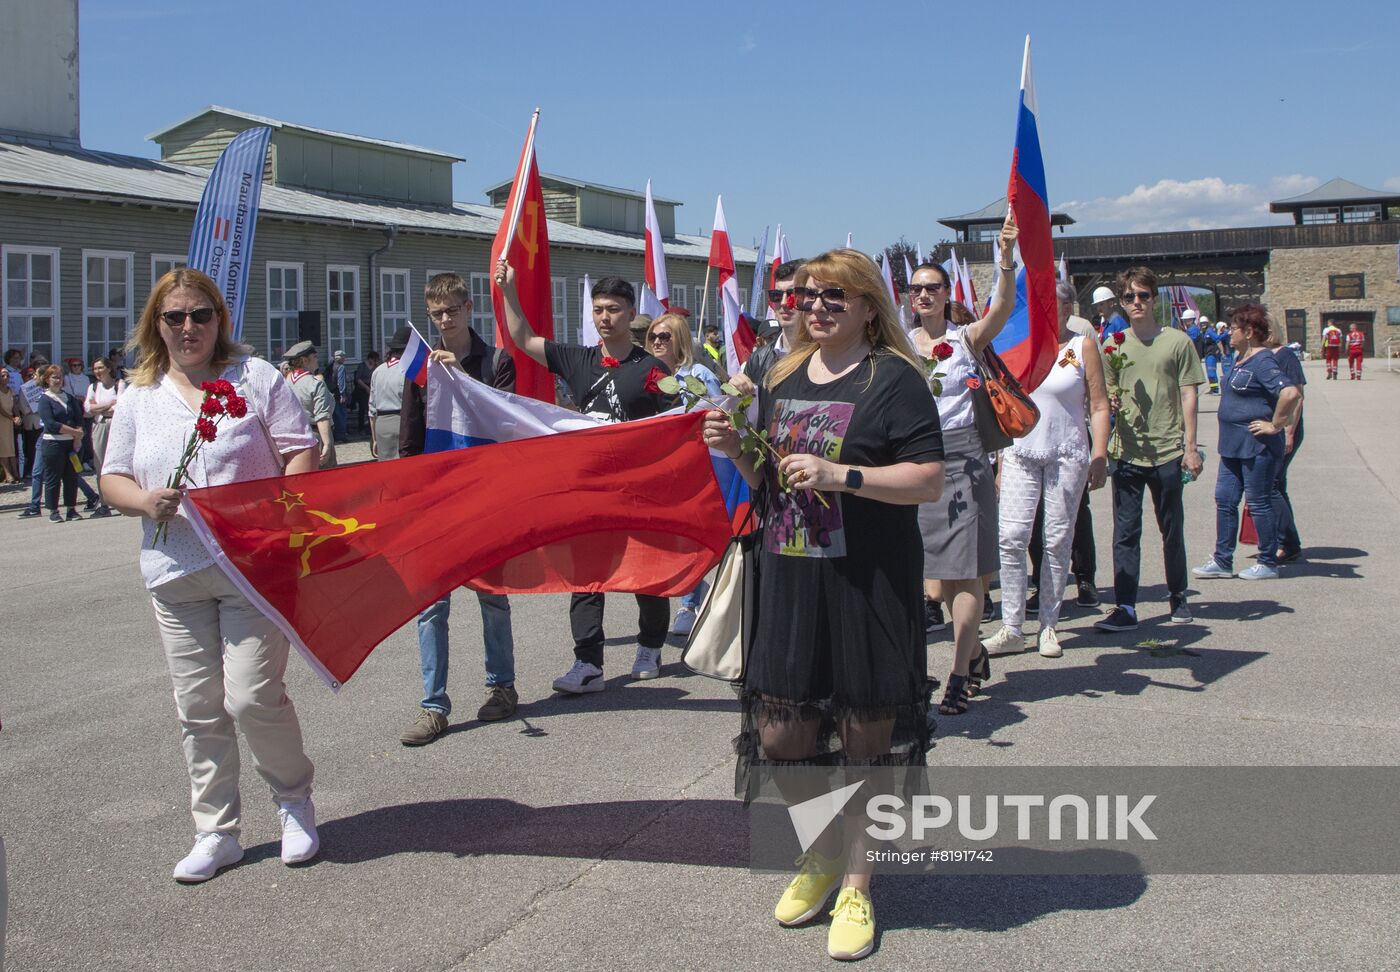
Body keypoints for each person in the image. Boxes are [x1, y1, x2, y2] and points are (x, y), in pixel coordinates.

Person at [702, 248, 943, 962]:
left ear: (870, 306)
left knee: (867, 738)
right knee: (782, 736)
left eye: (835, 295)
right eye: (807, 294)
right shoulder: (778, 376)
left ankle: (858, 886)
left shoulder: (896, 379)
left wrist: (845, 473)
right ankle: (822, 851)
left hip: (868, 582)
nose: (817, 305)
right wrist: (734, 450)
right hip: (790, 577)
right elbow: (770, 477)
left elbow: (928, 478)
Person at [100, 267, 321, 883]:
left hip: (249, 567)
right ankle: (216, 831)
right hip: (174, 572)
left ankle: (293, 799)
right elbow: (113, 476)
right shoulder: (140, 392)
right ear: (157, 326)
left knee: (251, 697)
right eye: (175, 318)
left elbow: (299, 446)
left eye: (200, 314)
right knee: (197, 706)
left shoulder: (252, 378)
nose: (189, 327)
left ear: (219, 318)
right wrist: (143, 502)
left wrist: (287, 510)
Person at [496, 264, 674, 690]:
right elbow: (522, 338)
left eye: (613, 309)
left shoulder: (653, 370)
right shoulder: (577, 358)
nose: (604, 317)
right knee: (586, 573)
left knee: (646, 572)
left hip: (637, 489)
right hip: (589, 487)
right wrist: (508, 290)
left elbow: (674, 427)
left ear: (632, 315)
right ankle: (588, 663)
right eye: (598, 309)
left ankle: (650, 645)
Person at [397, 273, 520, 745]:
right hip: (436, 500)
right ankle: (434, 706)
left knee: (492, 597)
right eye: (437, 314)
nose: (445, 321)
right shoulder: (422, 368)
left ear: (470, 309)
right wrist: (409, 495)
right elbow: (410, 439)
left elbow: (504, 419)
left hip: (484, 498)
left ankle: (502, 687)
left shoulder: (496, 361)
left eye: (452, 310)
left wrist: (462, 378)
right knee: (431, 607)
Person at [907, 212, 1019, 714]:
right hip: (920, 463)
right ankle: (972, 653)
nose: (923, 295)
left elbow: (1003, 307)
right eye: (916, 289)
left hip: (967, 461)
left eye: (931, 287)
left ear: (946, 292)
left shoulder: (967, 339)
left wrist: (1006, 260)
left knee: (968, 573)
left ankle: (955, 675)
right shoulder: (901, 346)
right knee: (940, 580)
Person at [986, 280, 1111, 657]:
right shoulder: (1019, 347)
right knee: (1010, 536)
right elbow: (1003, 404)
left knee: (1057, 540)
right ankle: (1011, 626)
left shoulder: (1081, 345)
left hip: (1067, 452)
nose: (1054, 309)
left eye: (1061, 303)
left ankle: (1049, 626)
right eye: (1046, 302)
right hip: (1022, 452)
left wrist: (1100, 454)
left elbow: (1100, 404)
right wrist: (999, 460)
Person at [1095, 267, 1206, 632]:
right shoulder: (1112, 346)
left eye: (1143, 295)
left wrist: (1190, 447)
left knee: (1171, 528)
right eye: (1130, 297)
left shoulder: (1177, 341)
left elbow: (1189, 394)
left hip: (1168, 450)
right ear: (1121, 303)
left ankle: (1178, 595)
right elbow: (1103, 400)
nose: (1137, 302)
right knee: (1125, 533)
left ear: (1154, 299)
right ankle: (1126, 605)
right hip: (1126, 451)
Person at [1193, 305, 1301, 582]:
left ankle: (1267, 562)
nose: (1229, 332)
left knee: (1259, 501)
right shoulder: (1241, 358)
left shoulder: (1263, 360)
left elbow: (1290, 393)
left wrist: (1275, 425)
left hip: (1256, 446)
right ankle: (1222, 559)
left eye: (1233, 328)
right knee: (1225, 499)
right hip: (1232, 445)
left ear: (1249, 332)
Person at [643, 312, 723, 637]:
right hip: (662, 469)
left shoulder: (699, 372)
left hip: (698, 465)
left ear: (680, 340)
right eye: (654, 337)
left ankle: (689, 604)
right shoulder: (646, 375)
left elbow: (720, 410)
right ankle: (701, 595)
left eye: (666, 336)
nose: (658, 342)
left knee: (691, 535)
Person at [733, 259, 804, 396]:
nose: (783, 303)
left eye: (792, 295)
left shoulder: (827, 354)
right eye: (776, 296)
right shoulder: (758, 358)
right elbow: (749, 411)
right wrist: (736, 394)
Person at [1267, 328, 1306, 563]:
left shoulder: (1286, 357)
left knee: (1272, 485)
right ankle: (1282, 539)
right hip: (1270, 429)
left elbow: (1297, 396)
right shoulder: (1262, 355)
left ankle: (1289, 543)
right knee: (1277, 484)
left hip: (1285, 429)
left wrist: (1290, 432)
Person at [282, 342, 336, 468]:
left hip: (291, 437)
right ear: (304, 360)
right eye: (315, 357)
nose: (317, 361)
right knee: (325, 480)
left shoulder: (285, 382)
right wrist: (327, 443)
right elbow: (322, 417)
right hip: (314, 435)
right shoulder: (315, 384)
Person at [82, 357, 122, 517]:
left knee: (119, 463)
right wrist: (106, 406)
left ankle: (123, 499)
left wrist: (97, 407)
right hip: (99, 425)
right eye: (95, 369)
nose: (97, 372)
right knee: (100, 465)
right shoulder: (93, 387)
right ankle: (104, 503)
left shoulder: (119, 385)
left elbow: (120, 406)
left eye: (100, 368)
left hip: (115, 425)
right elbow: (87, 408)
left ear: (108, 368)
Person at [369, 330, 408, 462]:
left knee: (385, 466)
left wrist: (374, 438)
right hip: (402, 420)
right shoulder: (408, 370)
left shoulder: (378, 371)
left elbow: (372, 409)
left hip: (381, 423)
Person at [0, 368, 19, 484]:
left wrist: (17, 416)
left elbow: (15, 405)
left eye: (7, 376)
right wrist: (12, 418)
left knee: (11, 446)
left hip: (10, 421)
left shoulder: (11, 390)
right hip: (2, 420)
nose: (5, 378)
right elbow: (1, 409)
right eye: (2, 376)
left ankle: (15, 472)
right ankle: (8, 474)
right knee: (3, 447)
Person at [353, 351, 377, 434]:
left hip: (372, 388)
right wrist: (366, 387)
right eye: (373, 360)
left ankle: (370, 428)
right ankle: (361, 428)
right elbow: (358, 379)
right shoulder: (362, 366)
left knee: (371, 409)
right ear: (370, 358)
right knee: (362, 409)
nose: (374, 362)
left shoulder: (375, 366)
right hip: (362, 389)